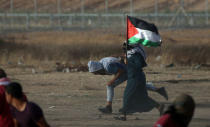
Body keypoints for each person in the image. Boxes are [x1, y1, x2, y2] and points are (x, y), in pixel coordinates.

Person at [88, 56, 168, 114]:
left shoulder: (107, 67)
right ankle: (158, 90)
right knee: (138, 86)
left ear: (98, 69)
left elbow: (121, 71)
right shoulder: (102, 61)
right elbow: (117, 60)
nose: (95, 74)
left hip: (127, 71)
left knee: (110, 86)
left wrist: (112, 80)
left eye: (95, 72)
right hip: (128, 69)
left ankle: (109, 107)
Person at [116, 43, 164, 121]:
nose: (124, 49)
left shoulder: (136, 55)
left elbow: (140, 65)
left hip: (136, 78)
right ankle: (158, 106)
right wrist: (123, 60)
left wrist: (128, 62)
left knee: (127, 95)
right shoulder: (130, 55)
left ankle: (123, 115)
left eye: (125, 47)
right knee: (142, 96)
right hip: (134, 77)